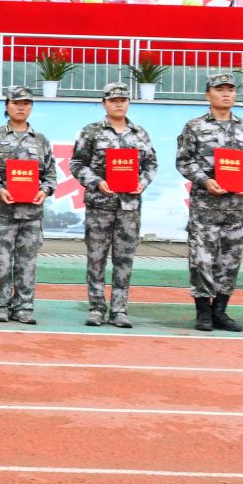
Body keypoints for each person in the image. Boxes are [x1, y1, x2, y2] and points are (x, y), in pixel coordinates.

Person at [176, 71, 243, 331]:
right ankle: (203, 311)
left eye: (230, 89)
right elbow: (184, 161)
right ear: (208, 95)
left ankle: (220, 310)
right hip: (205, 206)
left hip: (235, 208)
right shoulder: (195, 126)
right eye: (220, 89)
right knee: (201, 259)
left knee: (230, 260)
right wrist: (204, 180)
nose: (226, 94)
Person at [70, 83, 156, 327]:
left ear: (128, 102)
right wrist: (96, 182)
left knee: (124, 259)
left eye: (123, 99)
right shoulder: (91, 132)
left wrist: (142, 183)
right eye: (113, 100)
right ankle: (96, 308)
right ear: (104, 103)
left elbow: (151, 164)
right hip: (100, 205)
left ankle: (119, 310)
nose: (119, 104)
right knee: (96, 258)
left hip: (129, 207)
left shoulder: (139, 133)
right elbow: (77, 164)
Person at [0, 87, 57, 324]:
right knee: (2, 262)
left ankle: (23, 307)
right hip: (2, 212)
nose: (21, 107)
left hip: (31, 214)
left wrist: (45, 191)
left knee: (27, 263)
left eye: (26, 103)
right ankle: (1, 306)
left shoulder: (41, 140)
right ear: (7, 106)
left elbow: (50, 174)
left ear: (31, 107)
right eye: (16, 103)